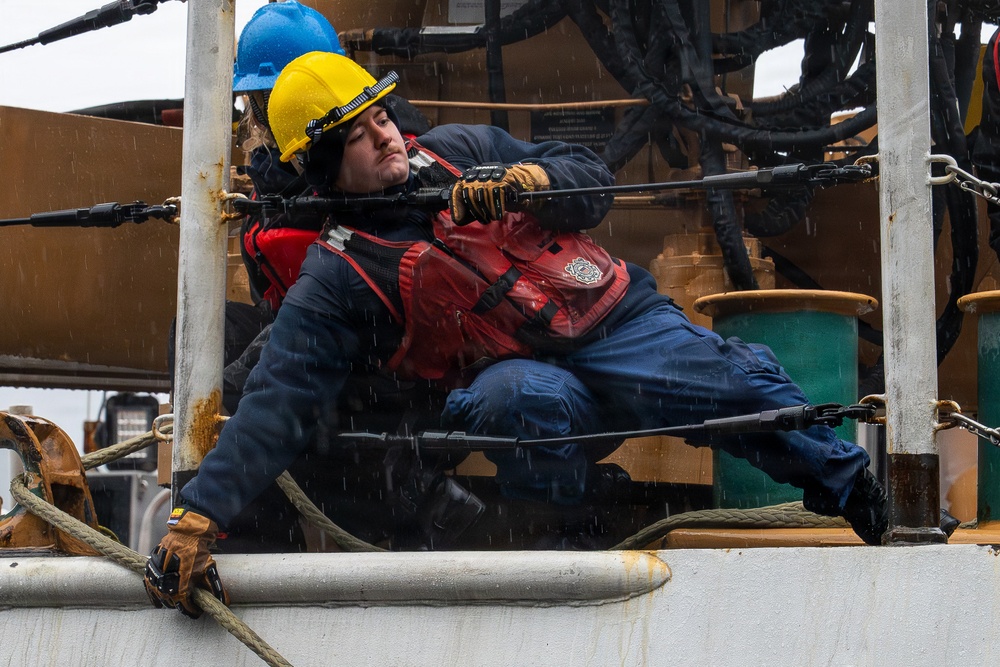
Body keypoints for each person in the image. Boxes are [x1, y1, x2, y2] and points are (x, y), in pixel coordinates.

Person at [144, 52, 889, 617]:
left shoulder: (459, 147)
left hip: (617, 323)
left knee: (737, 385)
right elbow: (276, 400)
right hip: (538, 377)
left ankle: (861, 495)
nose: (384, 138)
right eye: (357, 137)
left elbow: (590, 177)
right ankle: (573, 526)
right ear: (323, 166)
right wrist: (200, 513)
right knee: (510, 402)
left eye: (380, 118)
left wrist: (536, 184)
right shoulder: (335, 278)